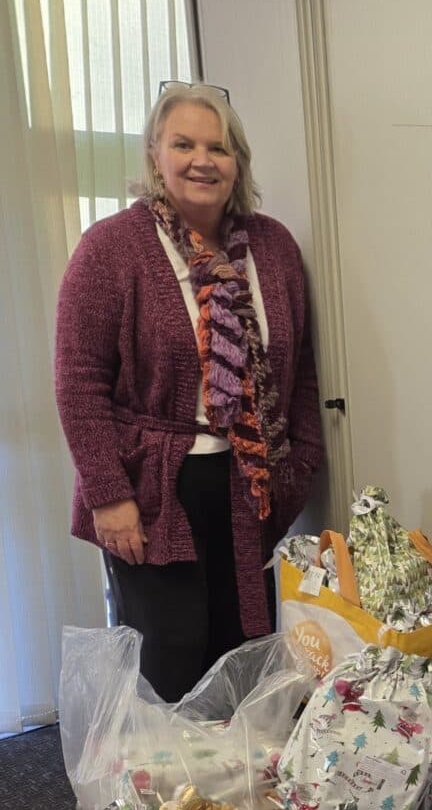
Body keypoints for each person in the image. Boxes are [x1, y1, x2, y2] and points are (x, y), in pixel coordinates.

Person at [55, 82, 323, 702]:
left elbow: (300, 370)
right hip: (152, 489)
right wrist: (108, 494)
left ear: (239, 162)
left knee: (243, 650)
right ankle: (168, 794)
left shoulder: (274, 247)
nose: (203, 160)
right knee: (168, 656)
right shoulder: (109, 250)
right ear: (155, 155)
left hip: (248, 481)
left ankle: (232, 792)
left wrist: (300, 464)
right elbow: (79, 383)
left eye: (218, 147)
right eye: (184, 144)